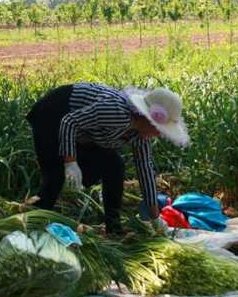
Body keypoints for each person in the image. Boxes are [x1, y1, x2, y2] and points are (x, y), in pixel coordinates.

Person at [26, 83, 189, 234]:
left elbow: (145, 168)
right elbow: (69, 122)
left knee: (114, 165)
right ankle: (32, 222)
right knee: (56, 176)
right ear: (148, 119)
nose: (159, 134)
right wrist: (70, 163)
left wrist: (155, 218)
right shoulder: (118, 113)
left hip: (82, 133)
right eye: (159, 129)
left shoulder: (139, 135)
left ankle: (113, 228)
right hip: (53, 115)